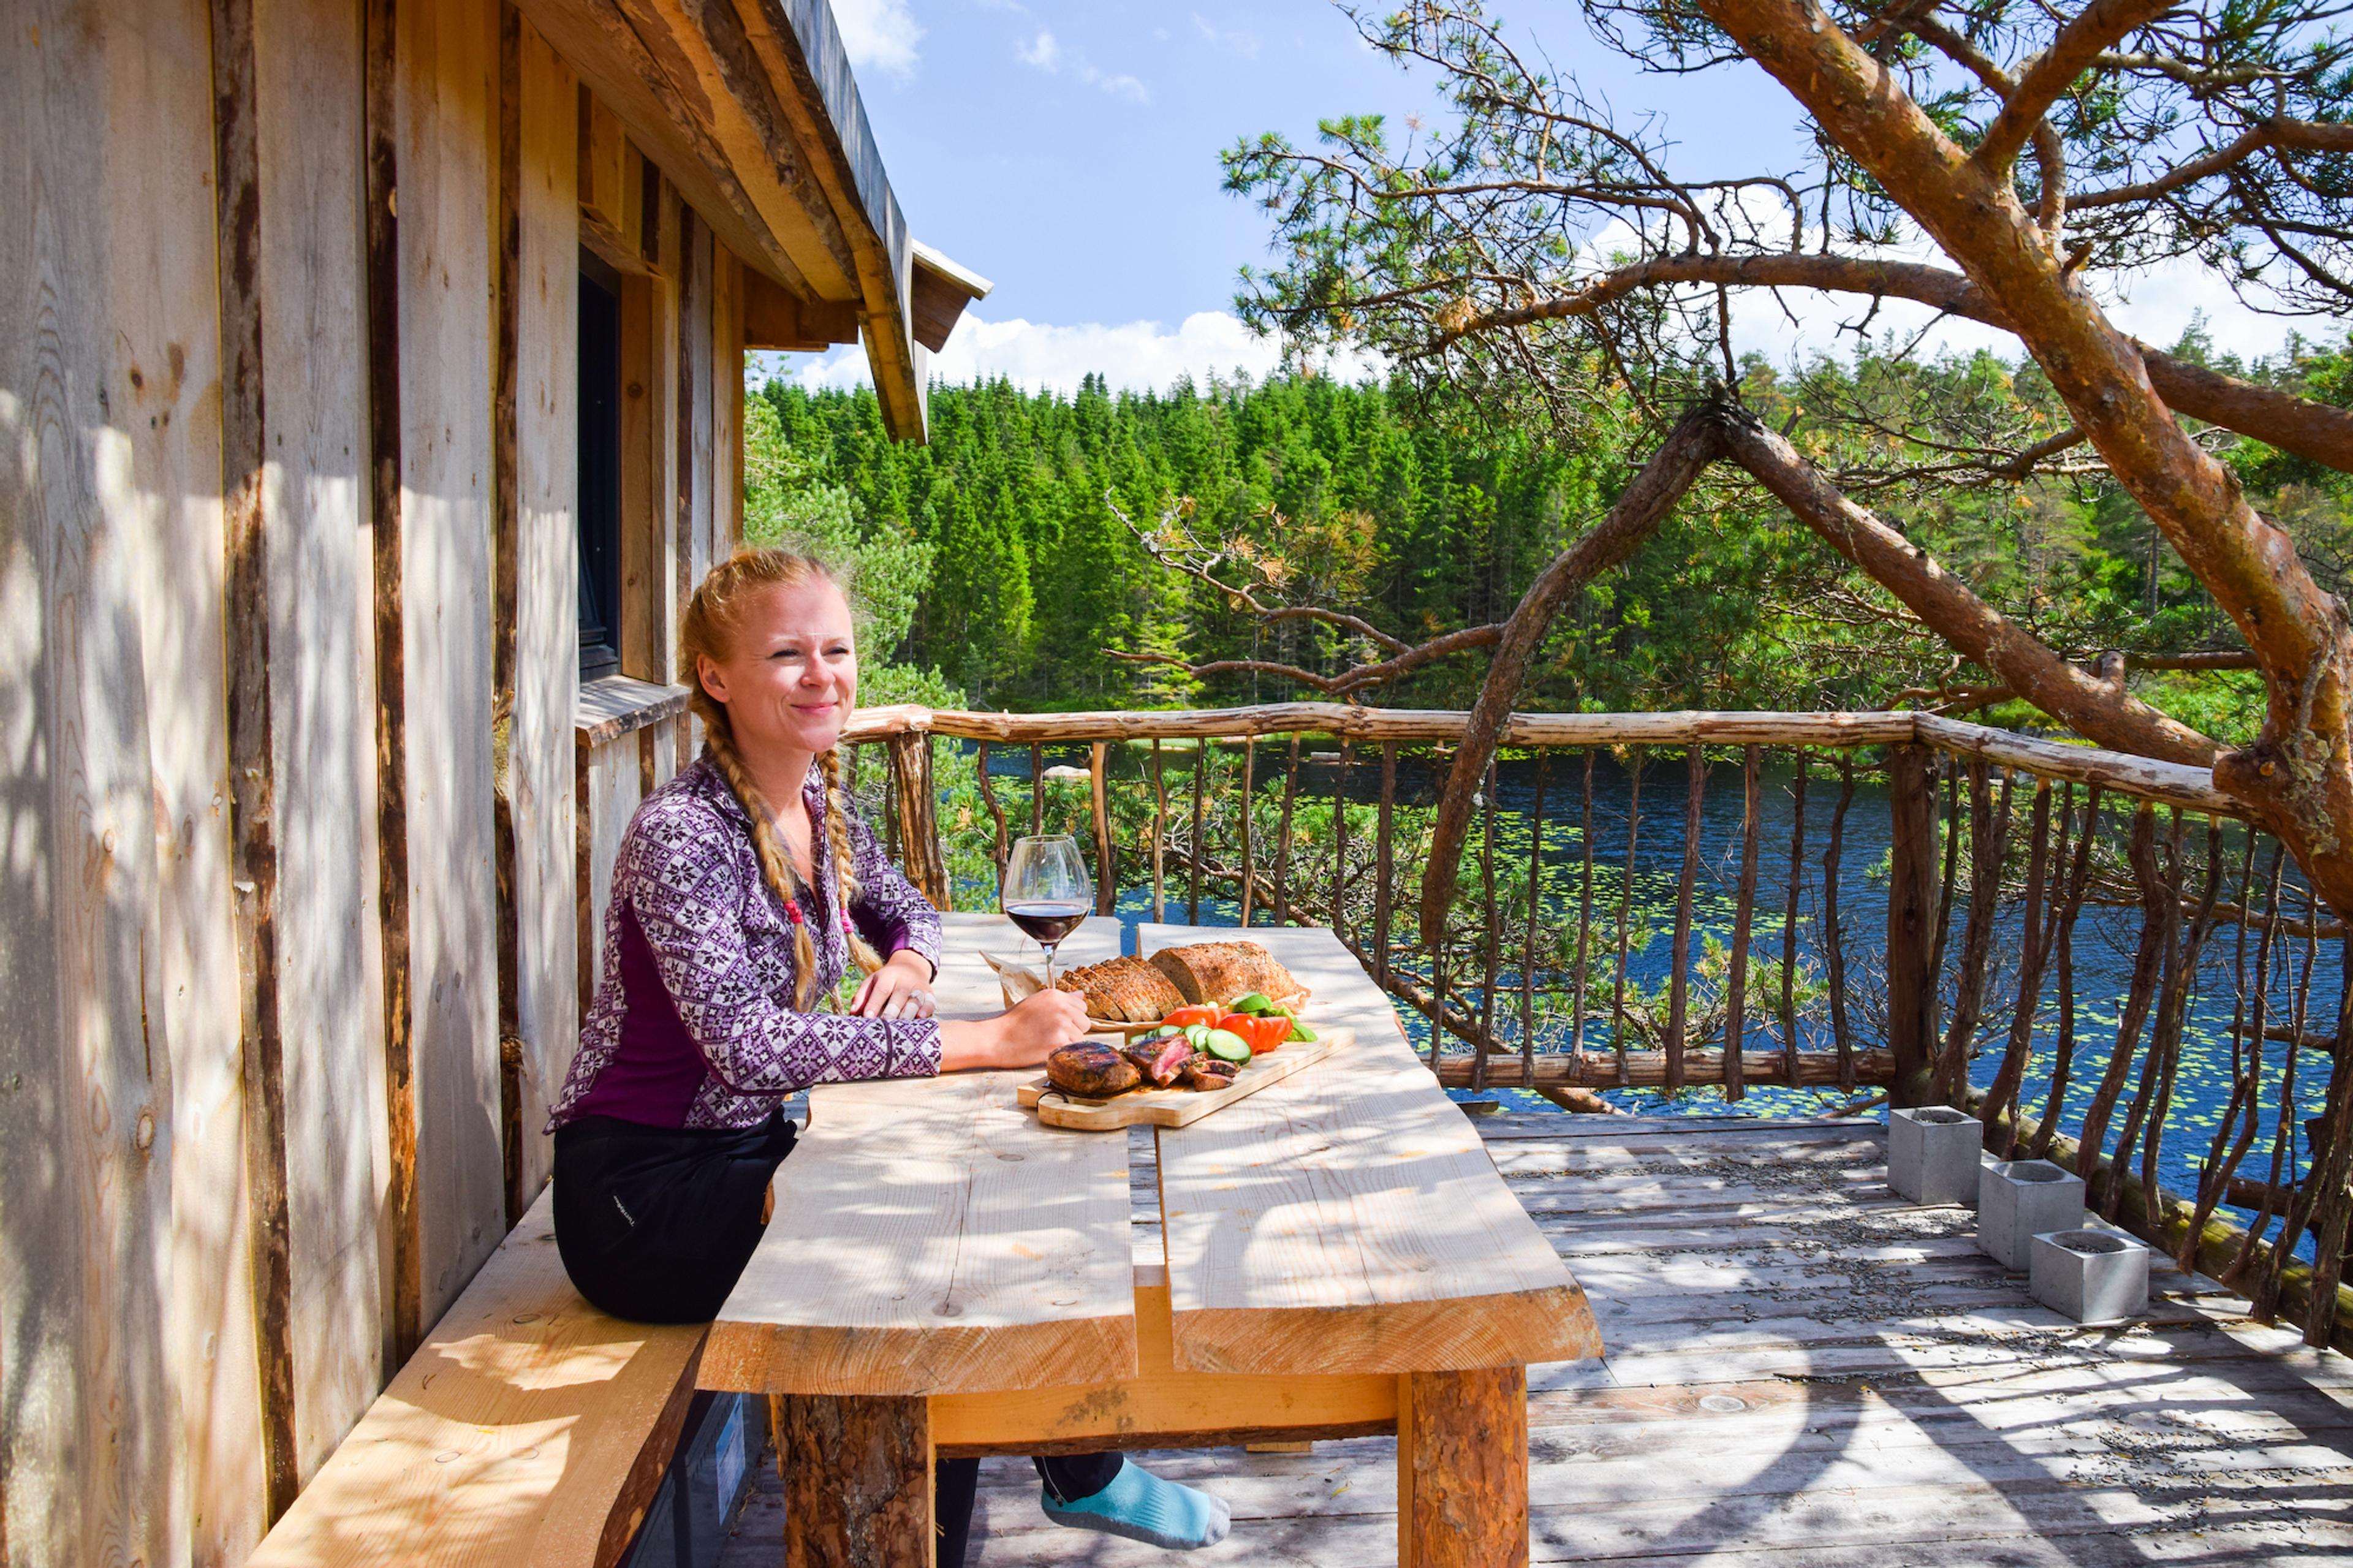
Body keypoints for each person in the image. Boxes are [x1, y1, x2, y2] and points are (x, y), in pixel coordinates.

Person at [545, 547, 1229, 1563]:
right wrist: (985, 1040)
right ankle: (1063, 1477)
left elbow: (908, 906)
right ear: (716, 677)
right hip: (637, 1199)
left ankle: (1061, 1468)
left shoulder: (815, 802)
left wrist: (908, 962)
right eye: (788, 653)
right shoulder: (680, 835)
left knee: (960, 1212)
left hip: (742, 1154)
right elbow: (743, 1047)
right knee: (919, 1269)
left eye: (837, 648)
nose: (823, 674)